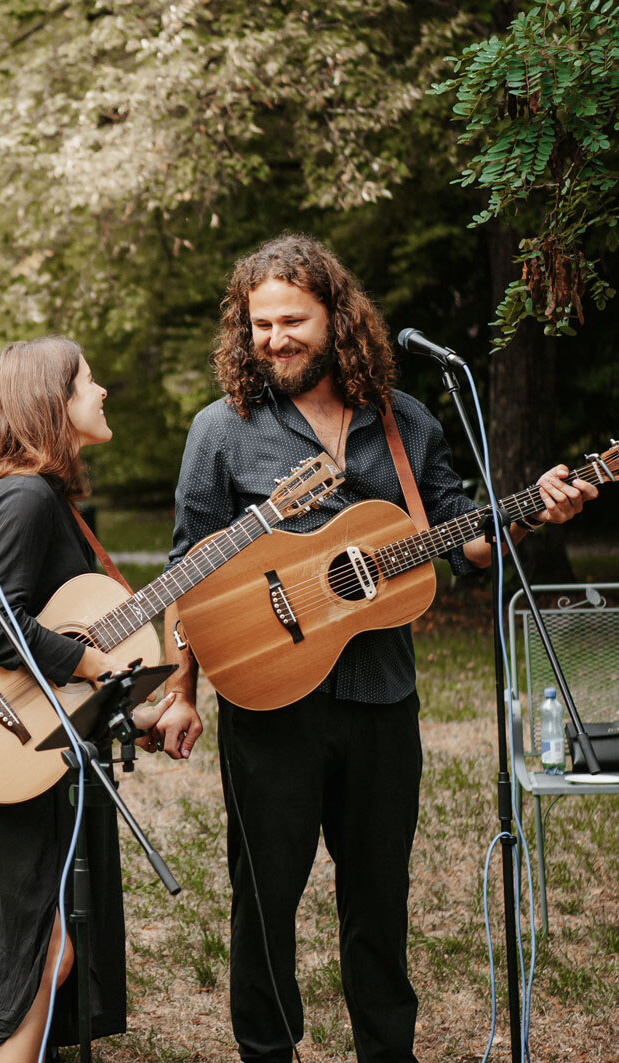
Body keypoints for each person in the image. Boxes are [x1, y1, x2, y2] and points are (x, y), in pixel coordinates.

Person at [154, 234, 597, 1063]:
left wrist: (529, 512)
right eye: (260, 325)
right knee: (264, 899)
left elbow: (462, 536)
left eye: (294, 321)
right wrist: (181, 686)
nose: (276, 339)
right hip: (268, 702)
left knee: (378, 903)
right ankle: (266, 1051)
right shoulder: (224, 429)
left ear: (337, 318)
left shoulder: (407, 423)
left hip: (382, 698)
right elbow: (189, 566)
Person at [0, 336, 172, 1062]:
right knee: (33, 959)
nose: (101, 393)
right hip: (12, 757)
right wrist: (94, 659)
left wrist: (129, 709)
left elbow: (47, 651)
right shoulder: (26, 495)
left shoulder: (45, 498)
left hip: (38, 750)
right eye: (89, 382)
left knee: (45, 955)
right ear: (51, 402)